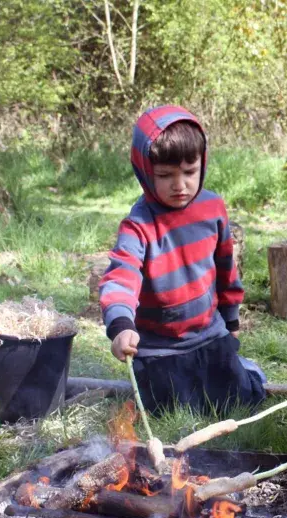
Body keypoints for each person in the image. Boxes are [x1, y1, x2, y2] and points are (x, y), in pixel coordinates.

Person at [99, 105, 266, 415]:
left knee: (241, 398)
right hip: (159, 347)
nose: (180, 185)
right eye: (165, 175)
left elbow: (227, 271)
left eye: (189, 172)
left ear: (202, 164)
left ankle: (245, 369)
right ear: (145, 172)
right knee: (171, 408)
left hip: (209, 335)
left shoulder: (212, 208)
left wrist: (231, 321)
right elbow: (121, 277)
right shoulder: (139, 225)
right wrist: (121, 326)